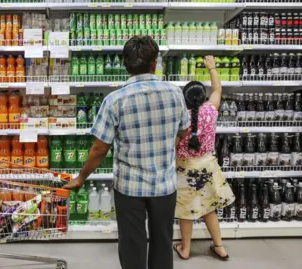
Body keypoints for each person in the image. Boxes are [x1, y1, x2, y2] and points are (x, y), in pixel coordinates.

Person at [64, 35, 190, 269]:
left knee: (132, 244)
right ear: (154, 63)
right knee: (163, 241)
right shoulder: (175, 94)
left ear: (124, 63)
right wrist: (166, 142)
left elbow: (100, 149)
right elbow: (185, 131)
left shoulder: (115, 100)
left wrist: (81, 178)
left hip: (130, 187)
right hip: (164, 185)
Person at [172, 56, 236, 261]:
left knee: (185, 212)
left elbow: (174, 146)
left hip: (185, 169)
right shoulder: (210, 111)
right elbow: (217, 90)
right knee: (210, 209)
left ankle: (186, 249)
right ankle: (219, 247)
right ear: (202, 97)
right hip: (208, 166)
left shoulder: (180, 119)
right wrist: (212, 68)